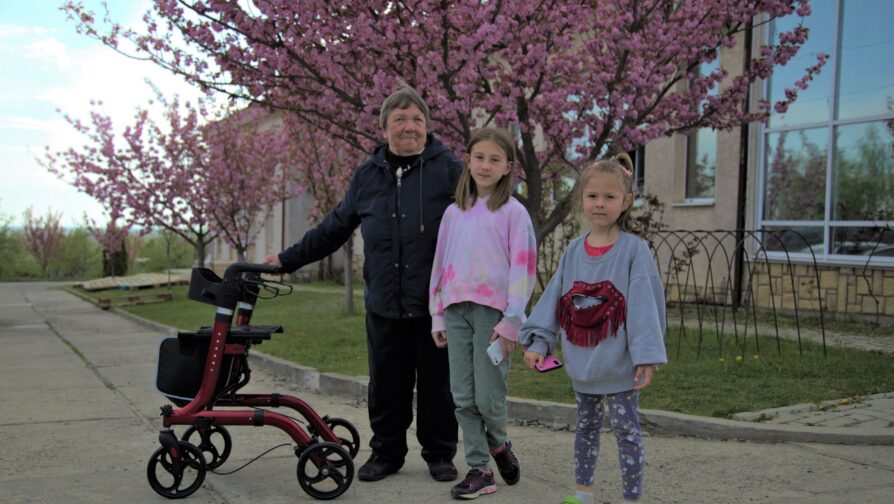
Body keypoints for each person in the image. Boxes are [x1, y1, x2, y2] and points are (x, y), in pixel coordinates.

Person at [266, 87, 461, 483]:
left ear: (427, 127)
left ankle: (440, 454)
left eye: (417, 120)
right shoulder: (367, 176)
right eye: (400, 119)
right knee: (386, 384)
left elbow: (484, 217)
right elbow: (333, 228)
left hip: (437, 305)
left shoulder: (449, 169)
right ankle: (386, 453)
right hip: (384, 303)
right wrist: (287, 260)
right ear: (385, 128)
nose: (410, 126)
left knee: (439, 387)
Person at [518, 153, 667, 504]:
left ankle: (632, 498)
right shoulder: (573, 251)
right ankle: (583, 493)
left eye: (609, 196)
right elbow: (555, 299)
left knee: (626, 431)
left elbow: (645, 305)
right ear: (581, 199)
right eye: (592, 196)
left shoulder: (634, 250)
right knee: (585, 428)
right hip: (583, 364)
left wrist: (646, 355)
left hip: (620, 365)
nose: (600, 203)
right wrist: (539, 342)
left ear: (626, 201)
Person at [428, 127, 537, 499]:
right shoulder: (453, 213)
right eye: (479, 157)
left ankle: (499, 445)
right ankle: (480, 469)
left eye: (494, 159)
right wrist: (437, 314)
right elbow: (440, 265)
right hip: (455, 311)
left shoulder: (514, 213)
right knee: (462, 396)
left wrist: (512, 323)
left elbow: (524, 269)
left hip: (494, 317)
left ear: (508, 167)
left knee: (488, 397)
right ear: (468, 161)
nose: (485, 165)